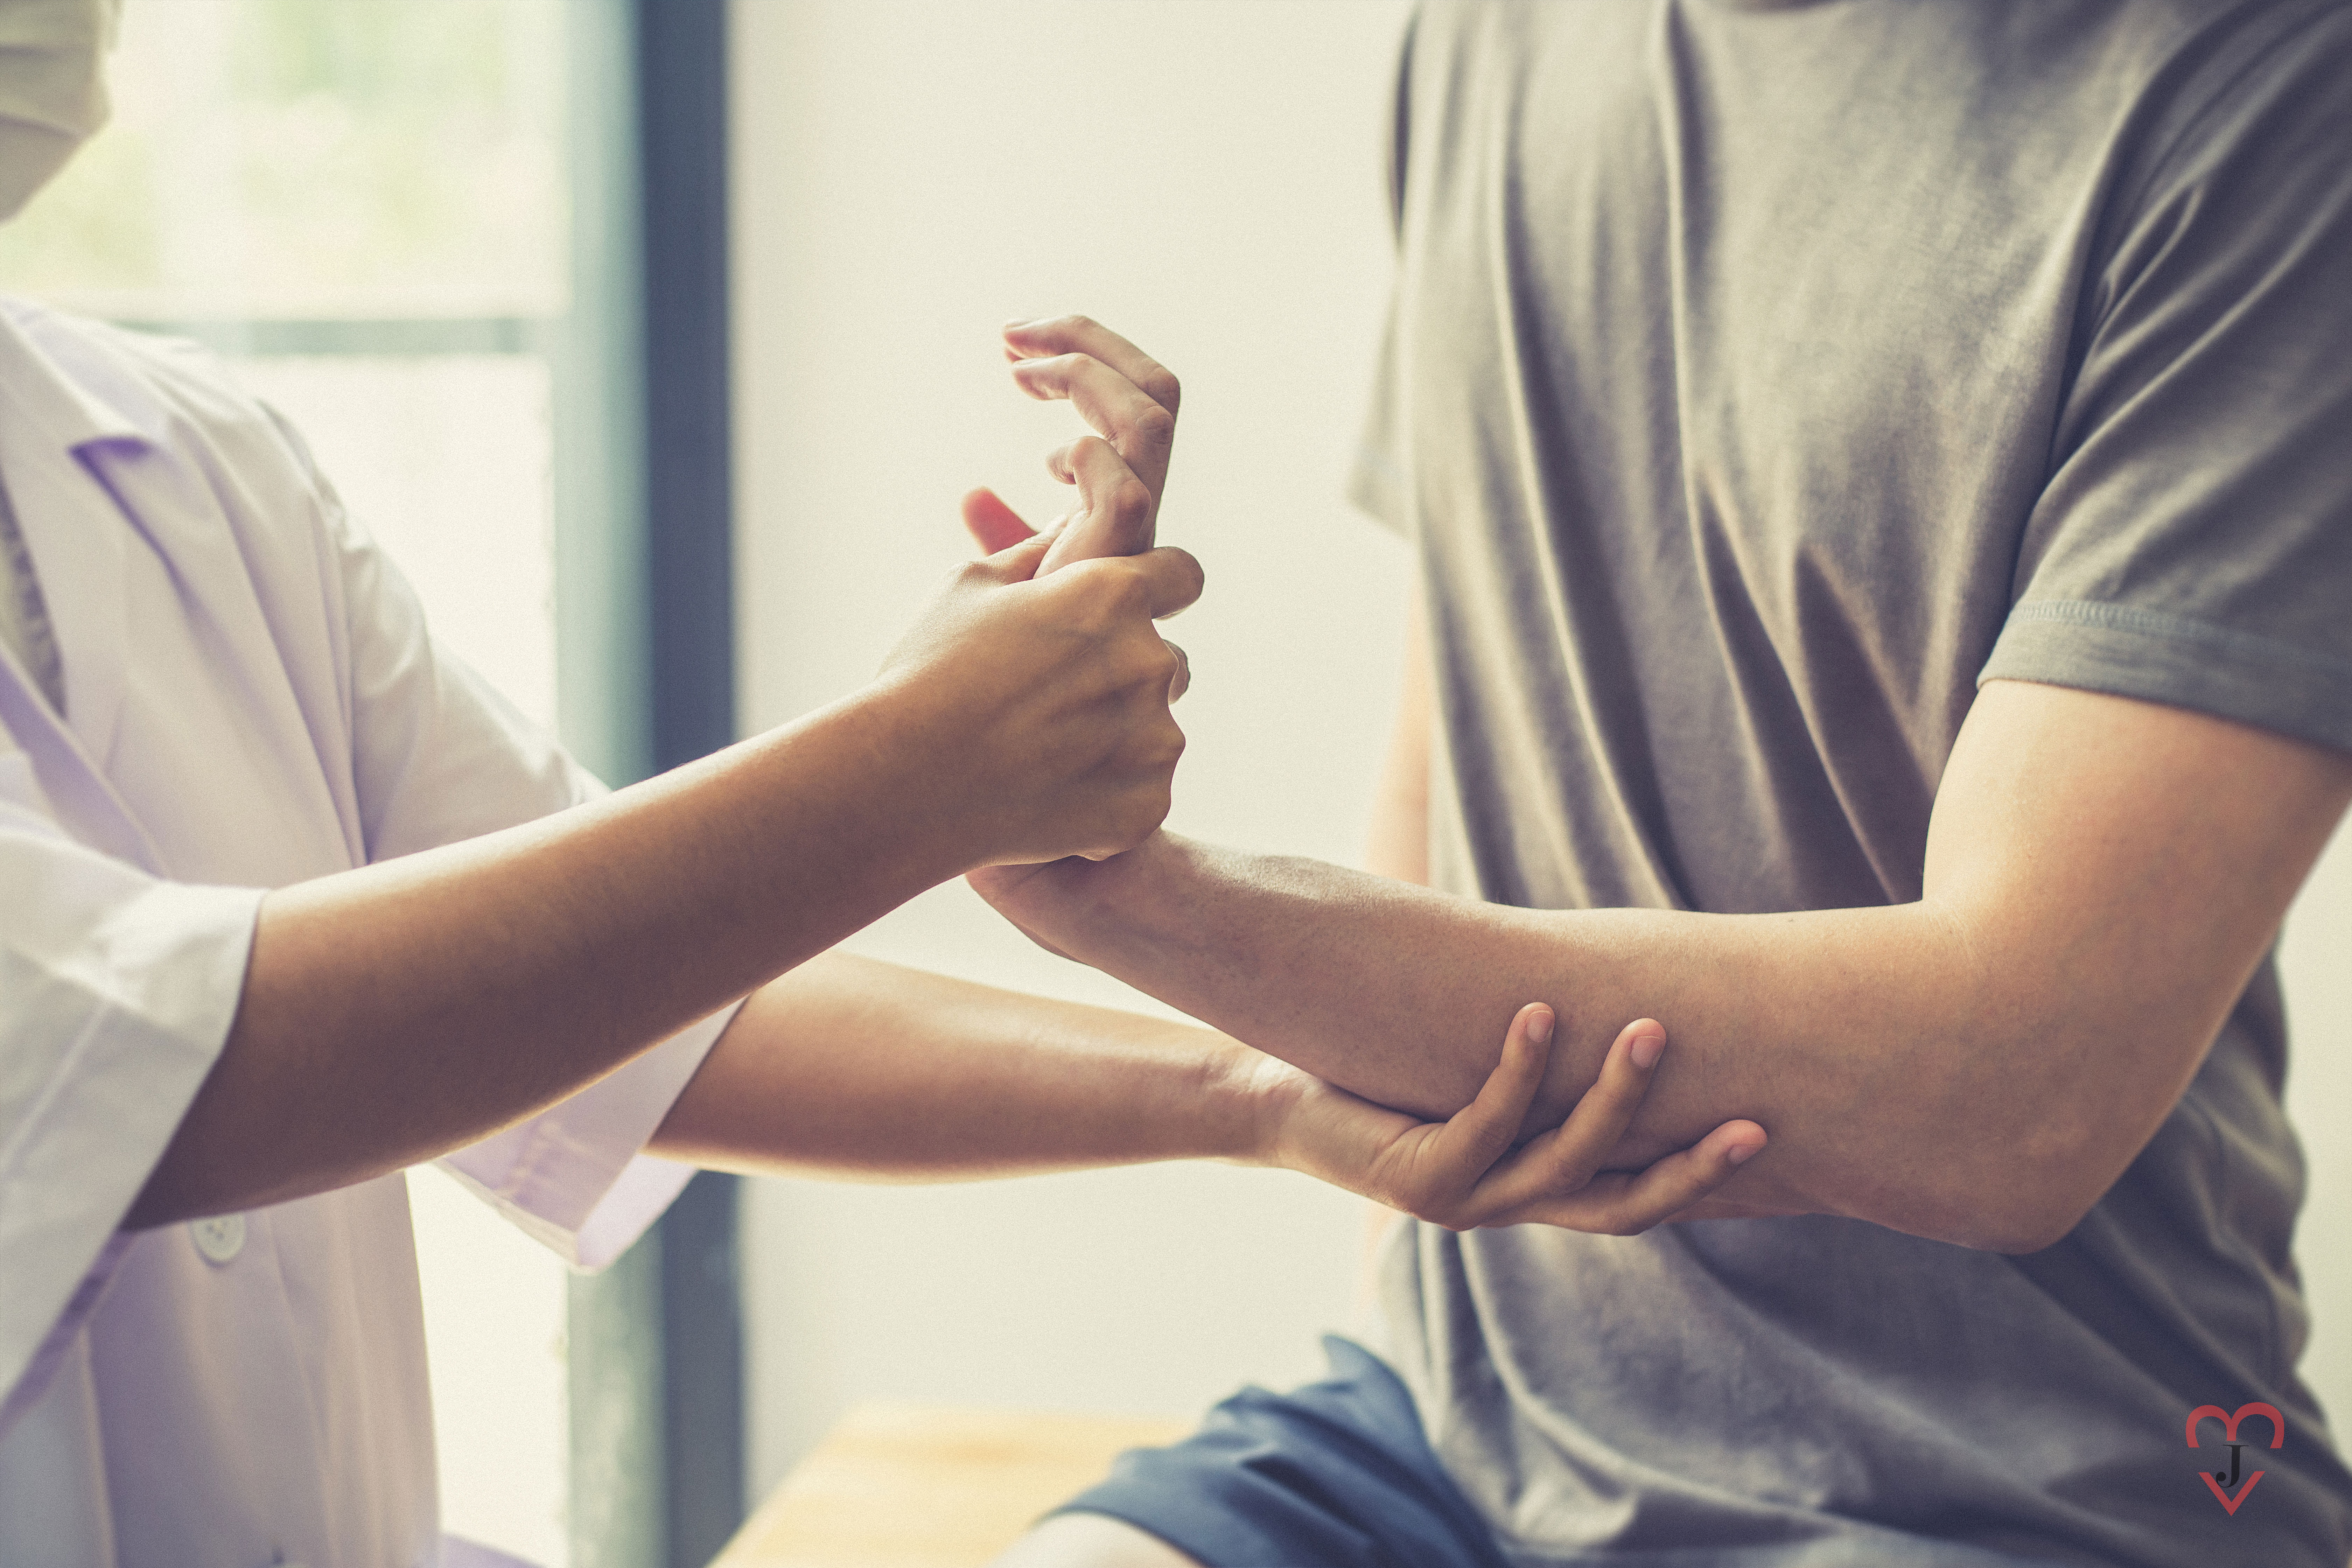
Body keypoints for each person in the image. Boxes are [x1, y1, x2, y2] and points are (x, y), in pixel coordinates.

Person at [0, 4, 1774, 1563]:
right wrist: (918, 774)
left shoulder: (194, 471)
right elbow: (203, 1066)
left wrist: (1255, 1091)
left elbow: (634, 1000)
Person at [983, 2, 2352, 1565]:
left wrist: (1142, 905)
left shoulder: (2277, 98)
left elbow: (2019, 1081)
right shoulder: (1495, 33)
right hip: (1449, 1429)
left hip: (2013, 1492)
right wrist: (1413, 1278)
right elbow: (1469, 711)